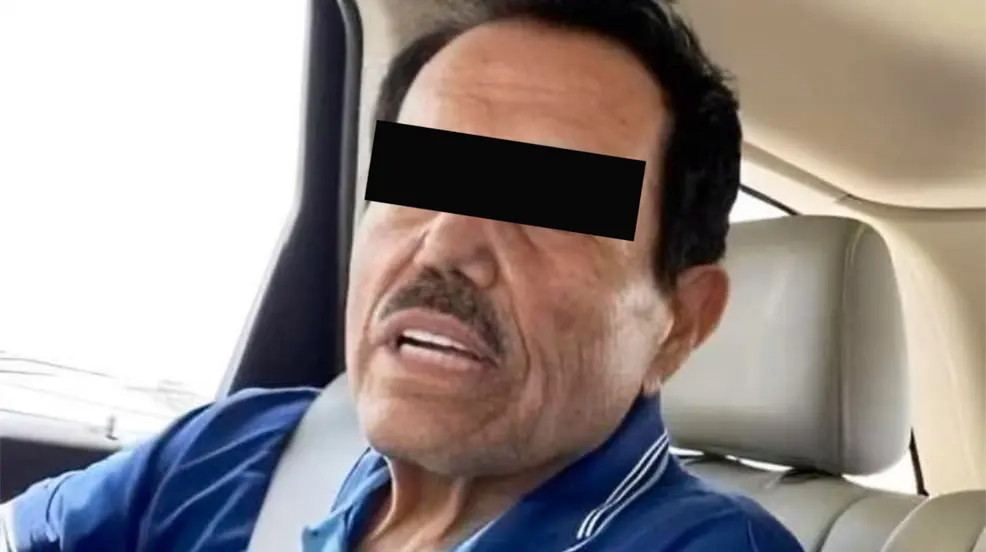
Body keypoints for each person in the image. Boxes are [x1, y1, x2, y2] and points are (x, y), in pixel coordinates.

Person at [1, 1, 805, 551]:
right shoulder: (238, 448)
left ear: (680, 323)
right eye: (420, 179)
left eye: (550, 205)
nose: (447, 242)